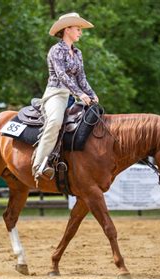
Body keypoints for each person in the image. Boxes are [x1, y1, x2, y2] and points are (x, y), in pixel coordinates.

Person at [32, 12, 99, 181]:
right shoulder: (56, 50)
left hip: (73, 95)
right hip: (56, 94)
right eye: (78, 29)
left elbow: (81, 78)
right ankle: (38, 166)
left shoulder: (78, 53)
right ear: (67, 29)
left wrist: (92, 94)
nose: (80, 32)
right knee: (55, 122)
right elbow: (63, 76)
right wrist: (81, 94)